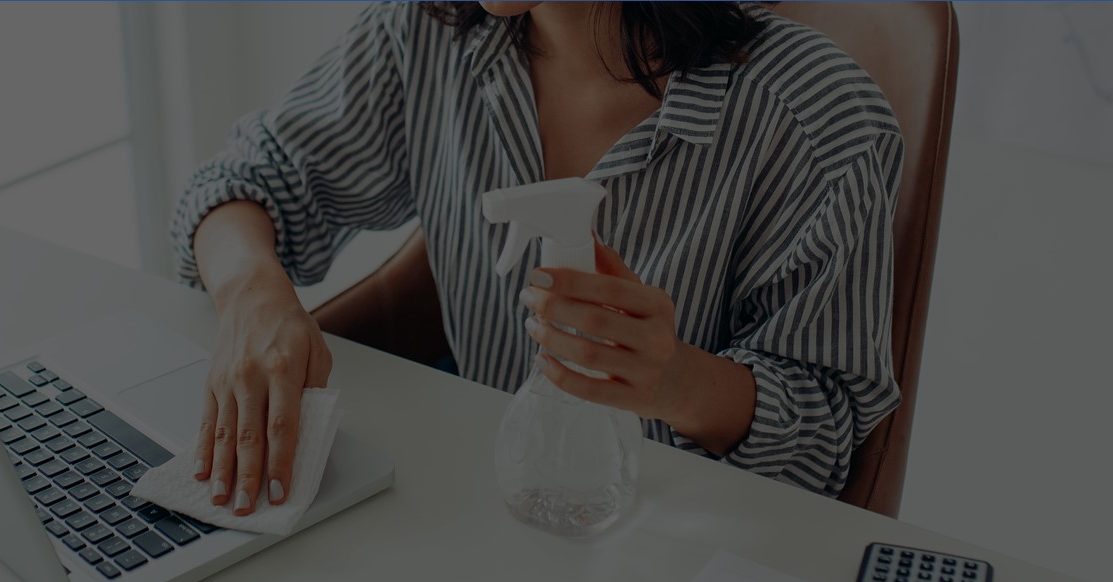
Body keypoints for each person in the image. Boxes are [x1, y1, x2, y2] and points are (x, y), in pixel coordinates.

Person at [172, 1, 903, 516]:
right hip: (471, 517)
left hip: (679, 555)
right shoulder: (422, 33)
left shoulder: (818, 118)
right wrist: (251, 291)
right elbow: (246, 178)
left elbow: (827, 445)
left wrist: (672, 379)